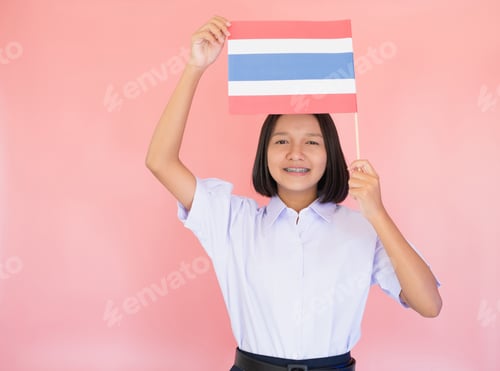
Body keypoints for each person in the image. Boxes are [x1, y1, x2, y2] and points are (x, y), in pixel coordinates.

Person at [146, 15, 442, 371]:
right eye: (282, 141)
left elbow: (429, 304)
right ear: (264, 153)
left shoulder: (364, 229)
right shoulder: (232, 220)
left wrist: (377, 213)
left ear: (330, 153)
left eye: (311, 142)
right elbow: (160, 161)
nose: (295, 153)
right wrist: (195, 67)